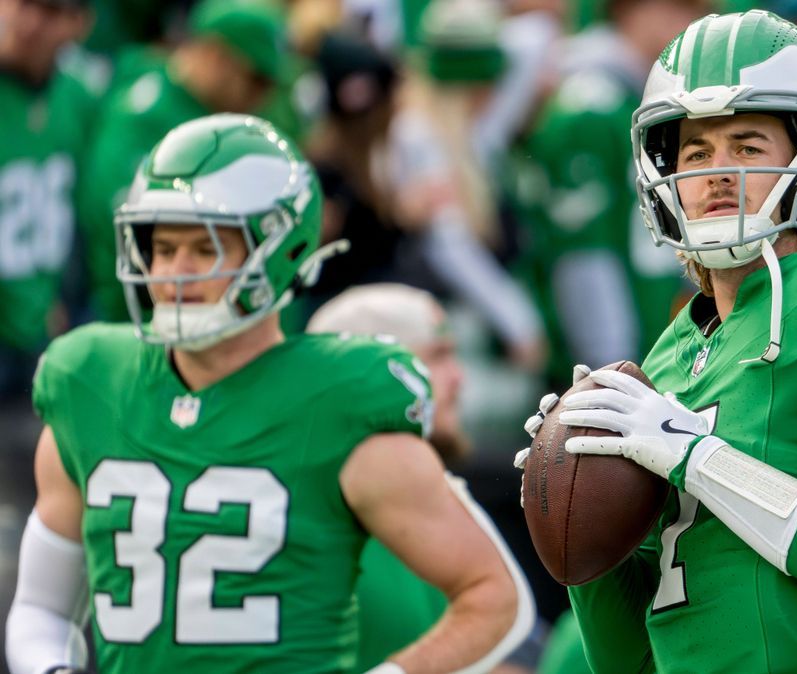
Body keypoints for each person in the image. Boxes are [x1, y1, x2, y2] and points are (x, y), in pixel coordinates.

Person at [518, 10, 797, 673]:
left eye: (748, 146)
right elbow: (630, 662)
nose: (718, 172)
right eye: (697, 153)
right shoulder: (666, 359)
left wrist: (695, 455)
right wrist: (577, 514)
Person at [5, 114, 533, 674]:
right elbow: (41, 609)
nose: (173, 273)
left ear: (280, 250)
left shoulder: (340, 399)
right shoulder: (90, 379)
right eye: (161, 247)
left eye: (204, 249)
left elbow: (491, 596)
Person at [308, 283, 542, 674]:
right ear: (371, 371)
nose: (458, 378)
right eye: (438, 356)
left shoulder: (433, 500)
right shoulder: (316, 518)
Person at [515, 0, 708, 387]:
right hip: (607, 366)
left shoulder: (632, 100)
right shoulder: (588, 108)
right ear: (636, 10)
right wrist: (611, 373)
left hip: (648, 344)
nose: (692, 23)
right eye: (683, 8)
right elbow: (583, 256)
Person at [76, 0, 290, 324]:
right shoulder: (145, 114)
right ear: (217, 56)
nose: (262, 95)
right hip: (142, 315)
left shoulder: (220, 114)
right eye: (254, 79)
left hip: (211, 309)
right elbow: (131, 219)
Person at [0, 0, 97, 398]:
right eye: (23, 4)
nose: (29, 23)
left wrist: (64, 295)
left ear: (80, 24)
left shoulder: (78, 96)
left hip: (43, 320)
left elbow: (82, 211)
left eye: (50, 10)